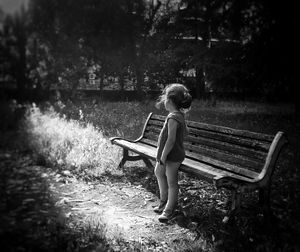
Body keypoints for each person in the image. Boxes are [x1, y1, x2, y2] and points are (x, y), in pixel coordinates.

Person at [154, 83, 192, 222]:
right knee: (158, 172)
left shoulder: (173, 117)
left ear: (169, 101)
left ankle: (169, 210)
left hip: (172, 156)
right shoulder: (177, 115)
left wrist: (163, 156)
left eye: (165, 98)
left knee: (172, 182)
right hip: (167, 154)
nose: (163, 100)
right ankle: (164, 200)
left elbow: (171, 140)